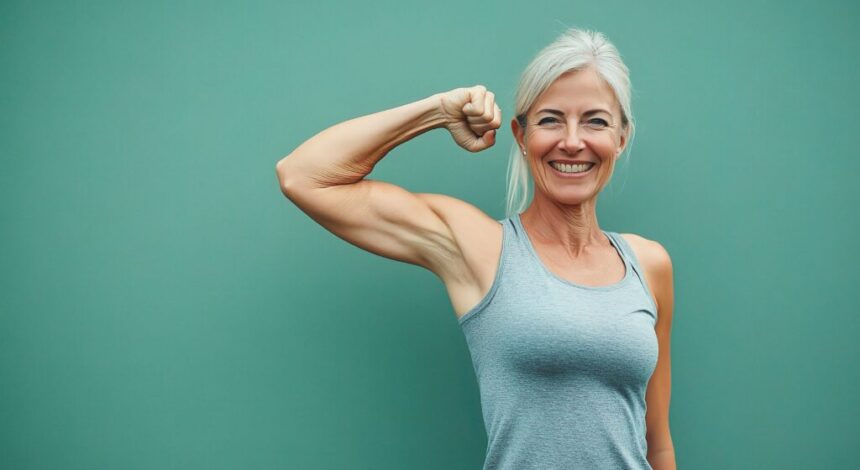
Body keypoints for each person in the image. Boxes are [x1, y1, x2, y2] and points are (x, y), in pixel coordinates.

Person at [276, 28, 676, 470]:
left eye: (596, 121)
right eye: (551, 120)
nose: (573, 141)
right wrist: (436, 111)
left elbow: (656, 443)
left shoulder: (648, 264)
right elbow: (304, 175)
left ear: (621, 137)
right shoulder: (481, 247)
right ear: (520, 136)